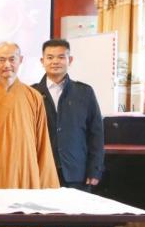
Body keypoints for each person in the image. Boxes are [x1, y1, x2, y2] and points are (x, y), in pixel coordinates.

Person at [0, 42, 59, 189]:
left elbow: (43, 142)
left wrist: (46, 185)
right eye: (2, 60)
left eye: (12, 59)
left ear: (20, 60)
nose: (7, 65)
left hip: (27, 170)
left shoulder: (34, 97)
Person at [32, 39, 104, 191]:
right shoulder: (32, 93)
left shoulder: (84, 92)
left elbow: (96, 134)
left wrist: (95, 169)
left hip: (77, 173)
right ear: (42, 61)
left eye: (61, 57)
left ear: (70, 60)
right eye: (50, 57)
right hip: (41, 171)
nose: (55, 62)